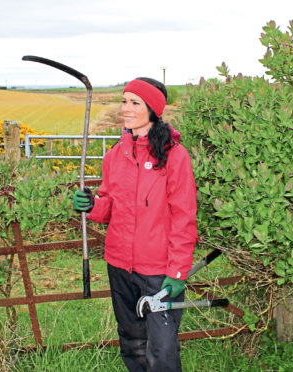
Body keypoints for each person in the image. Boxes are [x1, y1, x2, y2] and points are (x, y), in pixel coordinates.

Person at [72, 77, 198, 372]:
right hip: (119, 265)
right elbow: (110, 206)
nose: (125, 109)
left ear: (152, 110)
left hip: (157, 271)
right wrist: (93, 205)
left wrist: (178, 271)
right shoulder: (115, 155)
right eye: (124, 101)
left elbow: (184, 217)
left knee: (162, 349)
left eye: (134, 103)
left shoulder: (174, 157)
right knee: (131, 342)